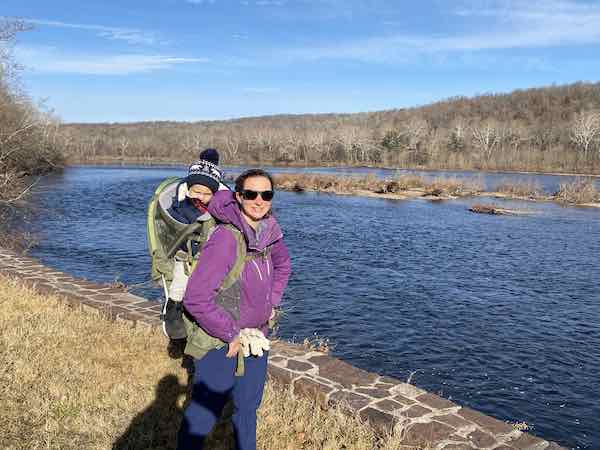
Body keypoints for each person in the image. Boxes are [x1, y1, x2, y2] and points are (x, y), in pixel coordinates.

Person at [177, 169, 291, 450]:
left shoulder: (269, 232)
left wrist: (272, 302)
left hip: (256, 338)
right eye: (251, 194)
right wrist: (229, 333)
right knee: (204, 414)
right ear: (238, 197)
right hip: (221, 341)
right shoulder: (226, 238)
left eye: (266, 194)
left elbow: (283, 266)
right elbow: (195, 298)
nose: (259, 200)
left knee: (248, 409)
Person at [162, 148, 225, 340]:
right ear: (188, 190)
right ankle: (173, 305)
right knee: (181, 279)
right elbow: (176, 219)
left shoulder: (219, 205)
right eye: (196, 191)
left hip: (211, 254)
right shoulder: (182, 205)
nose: (200, 196)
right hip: (187, 252)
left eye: (207, 193)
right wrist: (201, 218)